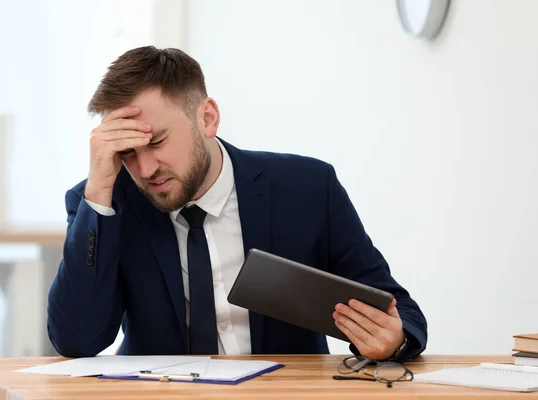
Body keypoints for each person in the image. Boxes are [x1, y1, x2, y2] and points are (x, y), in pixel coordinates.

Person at [47, 46, 427, 362]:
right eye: (127, 151)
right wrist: (98, 192)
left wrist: (395, 340)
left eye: (157, 141)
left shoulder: (308, 189)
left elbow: (399, 310)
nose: (145, 169)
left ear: (207, 118)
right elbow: (77, 340)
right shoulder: (107, 203)